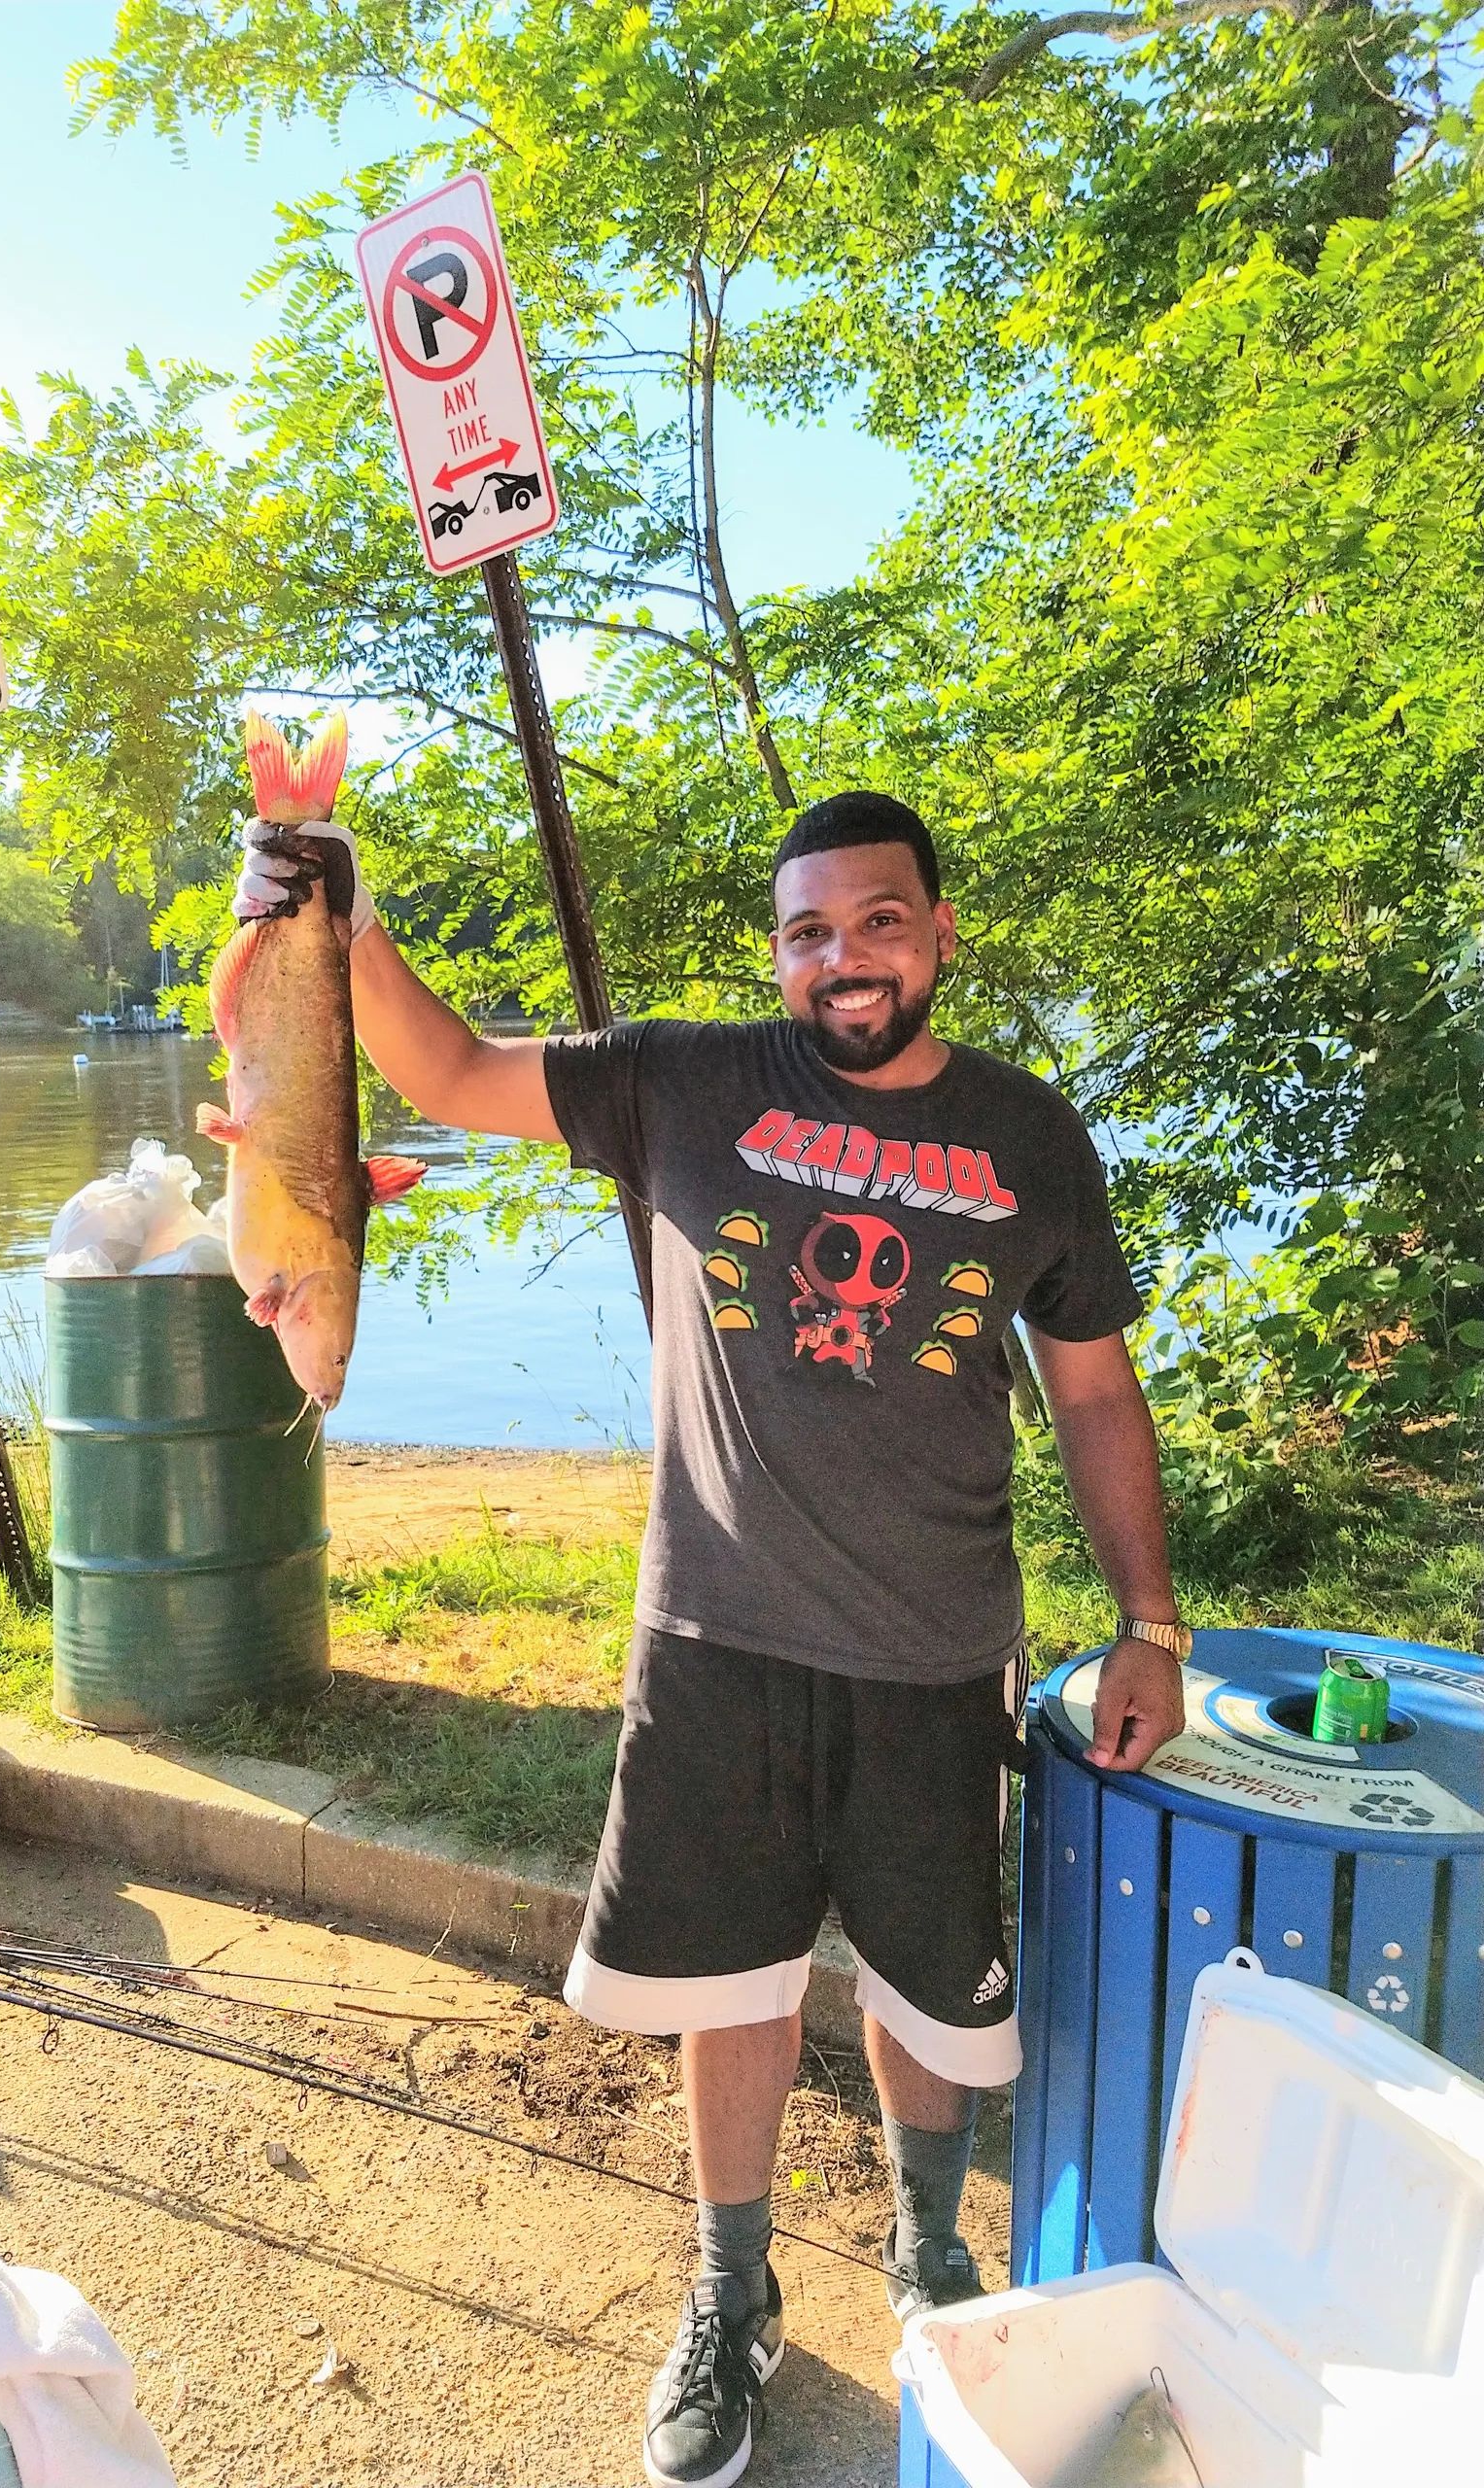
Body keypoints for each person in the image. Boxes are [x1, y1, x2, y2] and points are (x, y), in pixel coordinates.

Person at [235, 787, 1191, 2488]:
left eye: (880, 922)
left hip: (933, 1648)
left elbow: (1098, 1391)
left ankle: (928, 2250)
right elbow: (446, 1075)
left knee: (928, 1994)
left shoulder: (1032, 1138)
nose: (846, 958)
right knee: (729, 1982)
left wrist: (1149, 1621)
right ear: (779, 951)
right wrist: (332, 909)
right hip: (717, 1637)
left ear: (939, 931)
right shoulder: (683, 1079)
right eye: (811, 930)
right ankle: (731, 2290)